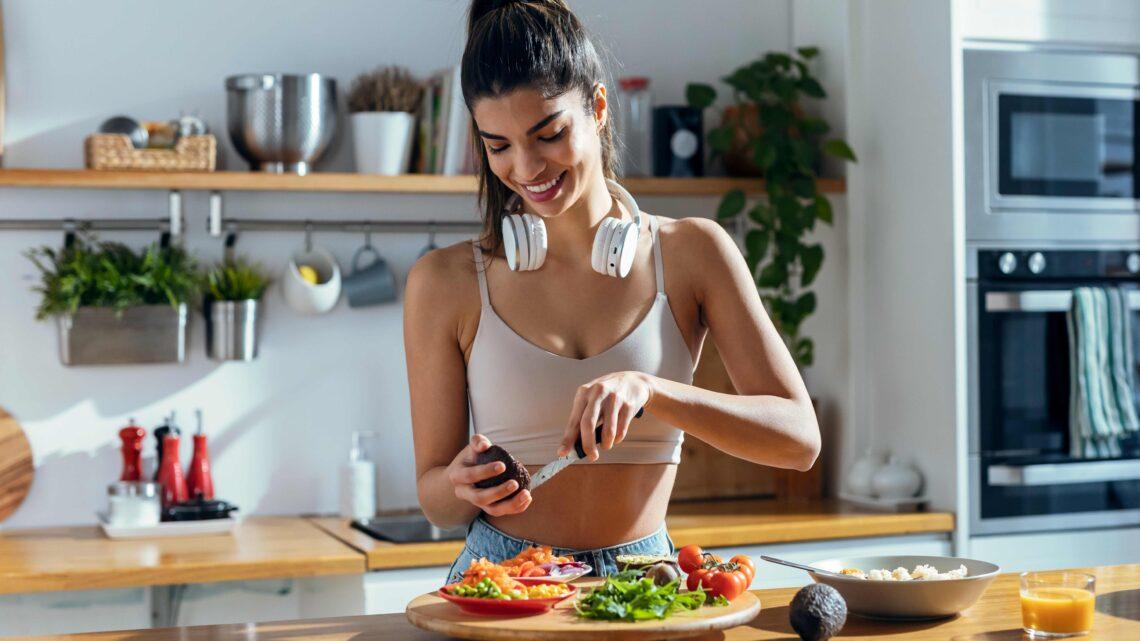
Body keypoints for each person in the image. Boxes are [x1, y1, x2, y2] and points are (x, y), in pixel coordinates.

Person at [404, 0, 820, 582]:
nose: (525, 169)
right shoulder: (443, 283)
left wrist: (652, 390)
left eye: (548, 134)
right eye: (497, 146)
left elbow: (799, 440)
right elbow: (433, 498)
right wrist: (459, 484)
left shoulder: (694, 253)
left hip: (647, 581)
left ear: (598, 108)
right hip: (504, 583)